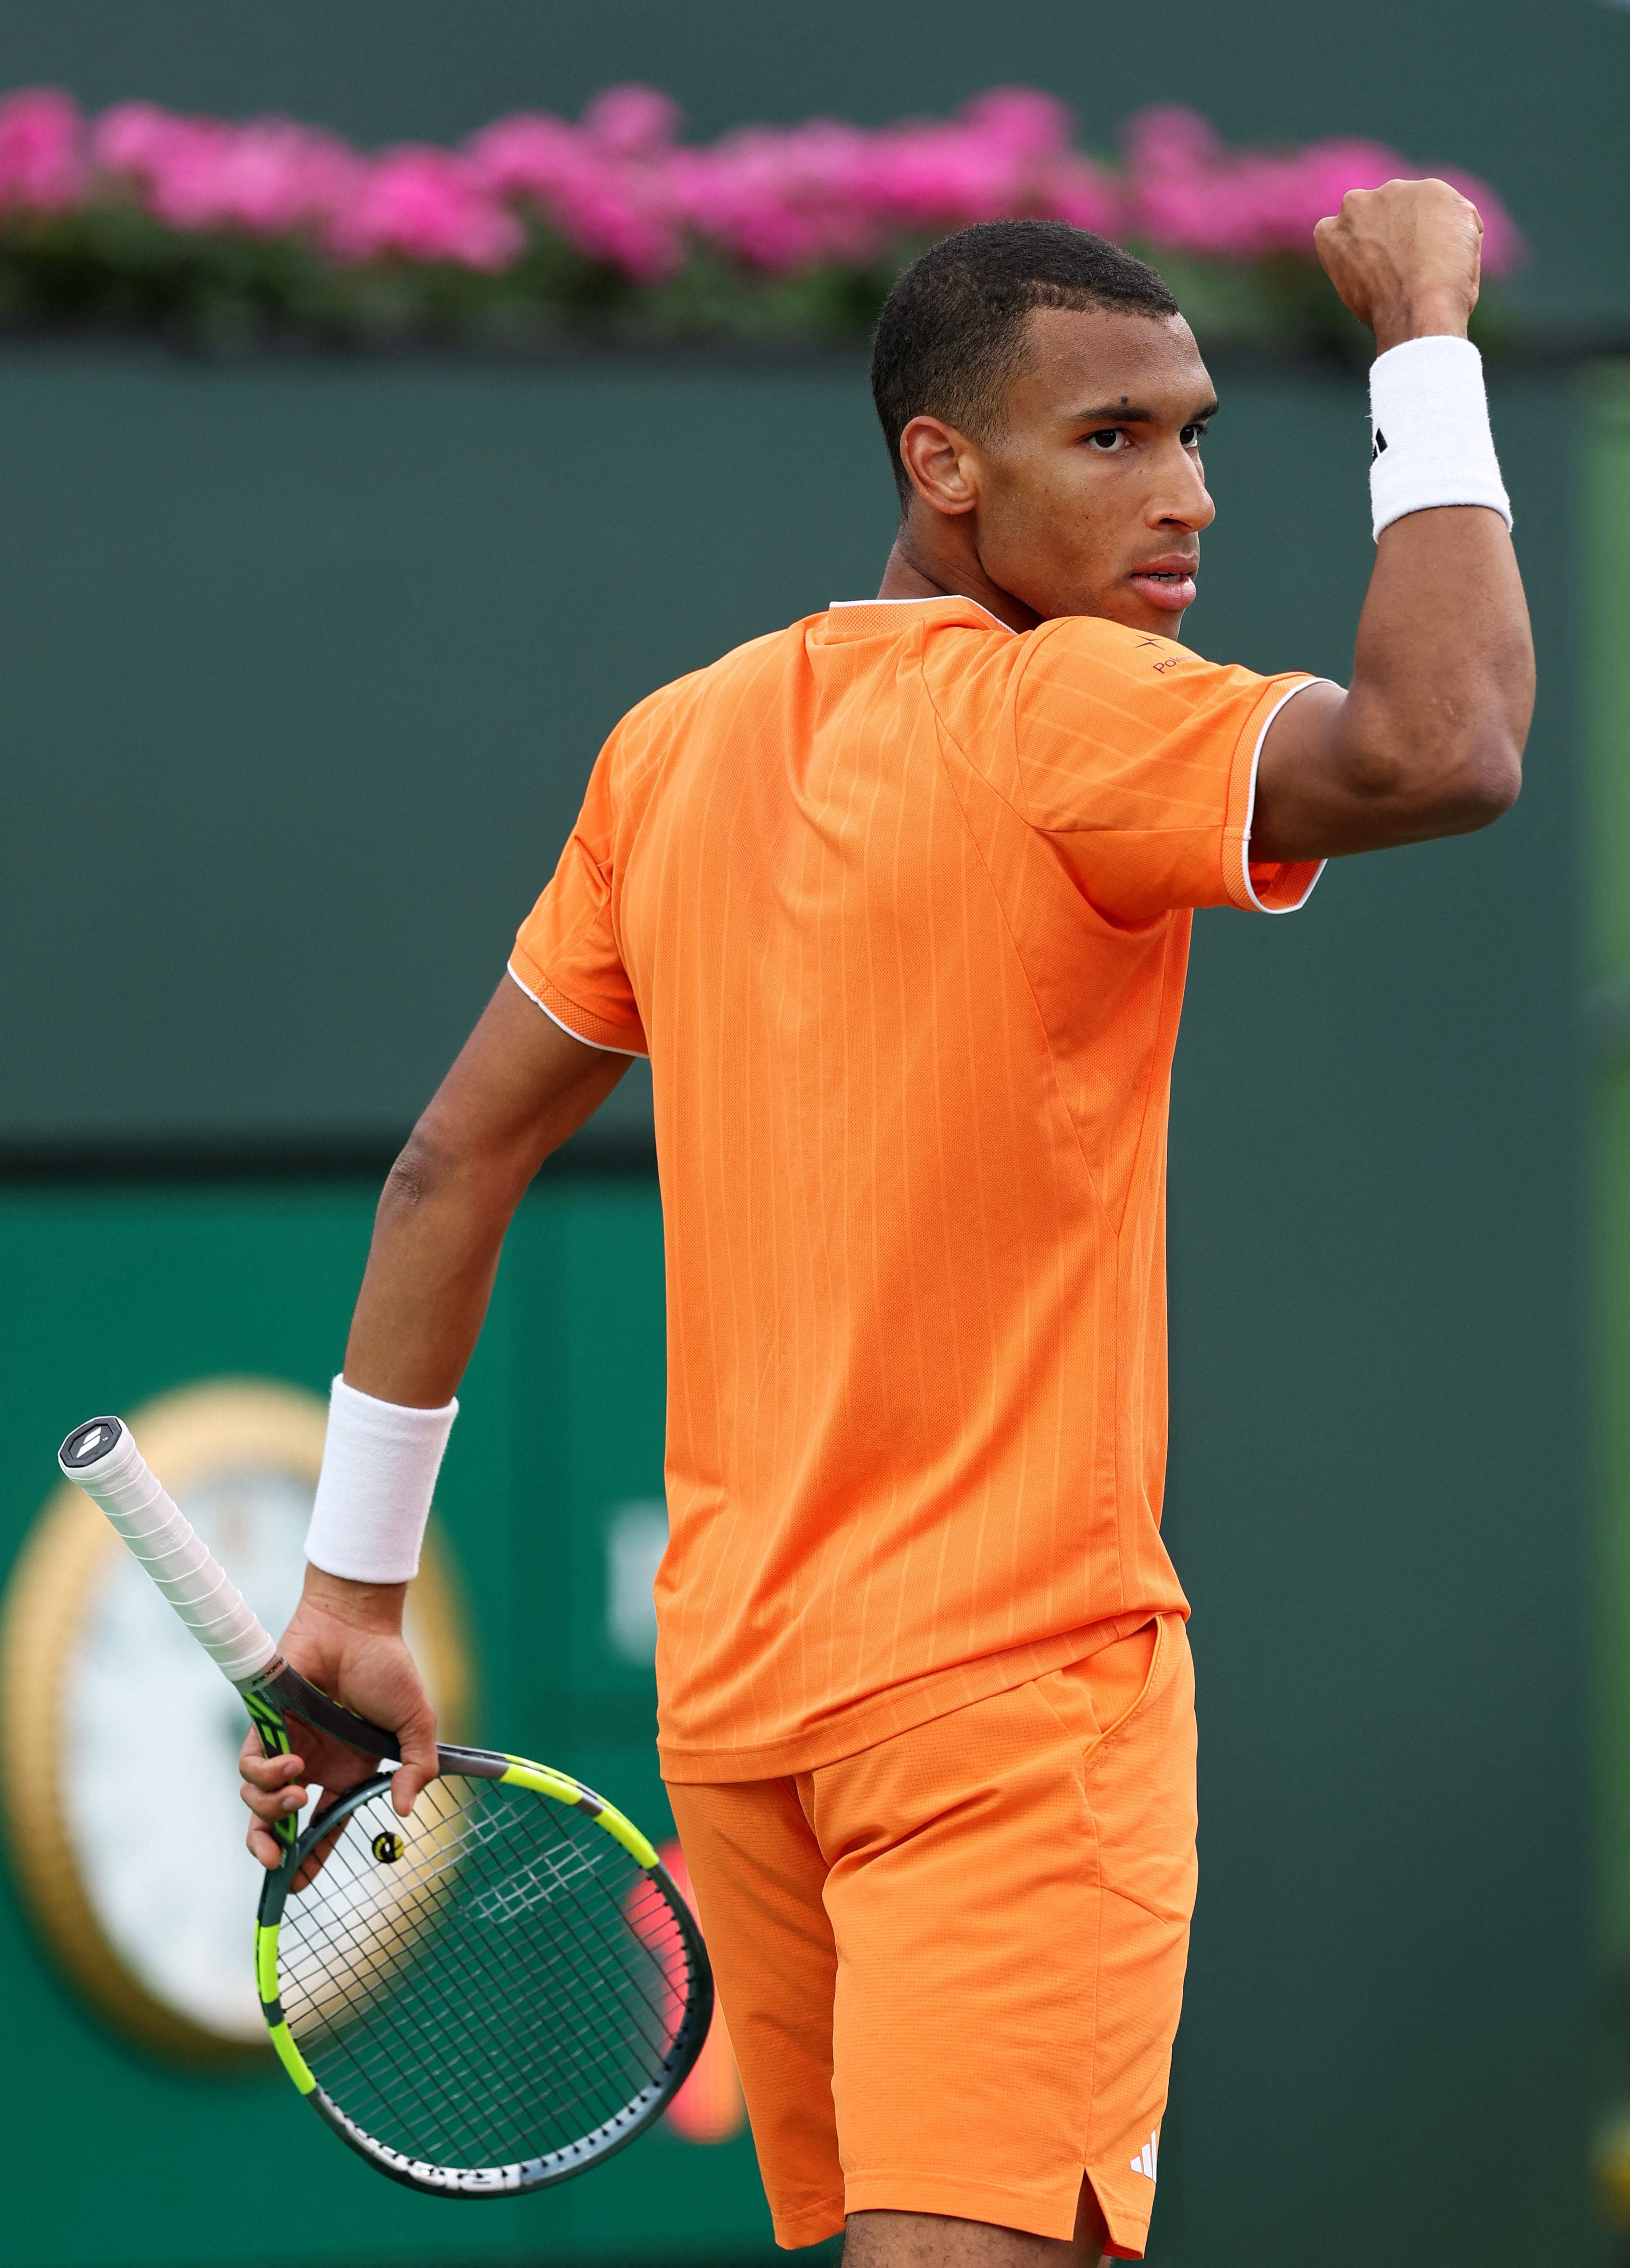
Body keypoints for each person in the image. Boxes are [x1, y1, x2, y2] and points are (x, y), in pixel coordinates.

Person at [240, 180, 1531, 2264]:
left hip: (745, 1710)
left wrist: (354, 1595)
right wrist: (1427, 346)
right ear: (942, 468)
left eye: (1196, 431)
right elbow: (1447, 744)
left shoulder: (666, 751)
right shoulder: (1072, 706)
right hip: (1010, 1698)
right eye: (1110, 437)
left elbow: (445, 1164)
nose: (1181, 491)